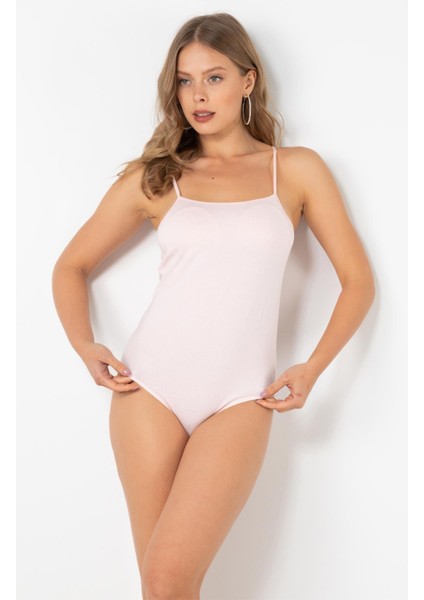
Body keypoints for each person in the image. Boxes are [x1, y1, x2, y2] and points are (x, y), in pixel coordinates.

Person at [52, 12, 375, 600]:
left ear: (248, 81)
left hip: (242, 395)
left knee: (170, 578)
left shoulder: (295, 169)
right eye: (185, 81)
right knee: (162, 586)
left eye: (214, 77)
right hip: (148, 387)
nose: (198, 95)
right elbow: (70, 266)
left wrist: (312, 367)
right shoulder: (159, 177)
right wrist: (84, 344)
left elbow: (357, 281)